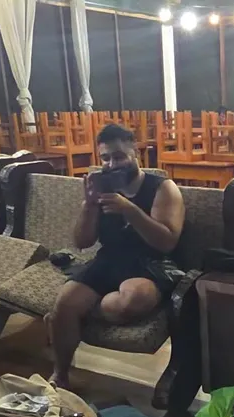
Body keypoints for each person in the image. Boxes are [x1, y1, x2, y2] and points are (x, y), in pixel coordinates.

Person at [44, 123, 186, 389]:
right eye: (105, 158)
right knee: (64, 302)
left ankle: (77, 314)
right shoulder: (103, 187)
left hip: (150, 263)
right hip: (109, 259)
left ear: (136, 154)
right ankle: (60, 375)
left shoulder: (163, 188)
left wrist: (129, 210)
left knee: (132, 300)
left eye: (119, 156)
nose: (111, 165)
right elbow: (82, 242)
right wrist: (89, 206)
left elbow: (166, 242)